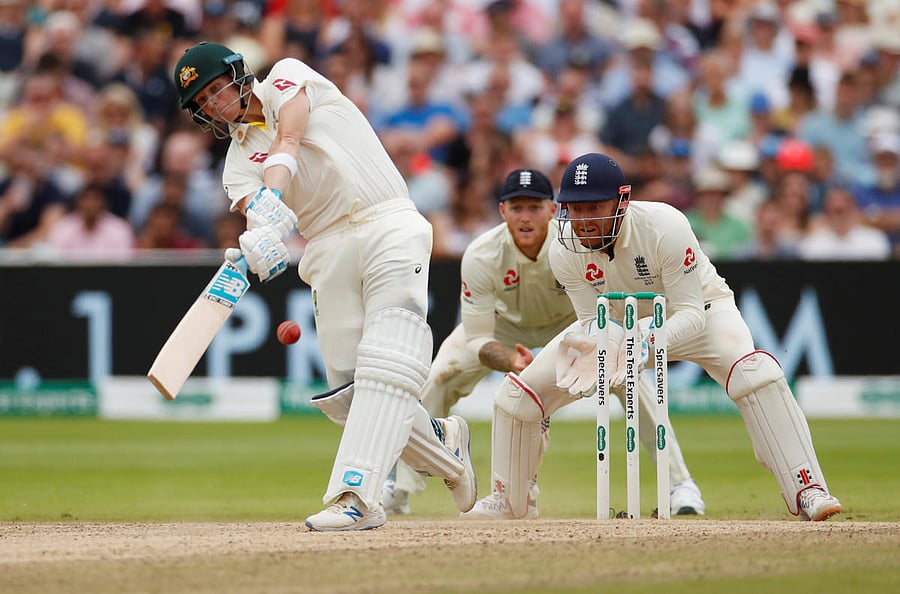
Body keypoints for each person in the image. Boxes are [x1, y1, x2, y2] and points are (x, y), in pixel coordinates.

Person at [172, 42, 476, 531]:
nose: (212, 104)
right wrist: (260, 240)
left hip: (387, 222)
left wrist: (271, 195)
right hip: (327, 248)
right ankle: (445, 448)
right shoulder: (235, 165)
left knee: (387, 359)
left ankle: (356, 495)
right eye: (201, 103)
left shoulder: (289, 77)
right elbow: (258, 214)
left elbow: (289, 140)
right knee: (349, 395)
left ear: (239, 73)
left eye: (213, 89)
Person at [467, 153, 842, 522]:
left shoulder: (665, 225)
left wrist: (645, 338)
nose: (582, 220)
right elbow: (588, 322)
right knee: (518, 396)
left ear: (623, 200)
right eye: (574, 208)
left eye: (594, 206)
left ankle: (807, 487)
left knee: (755, 373)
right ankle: (509, 499)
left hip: (699, 313)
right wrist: (601, 345)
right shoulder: (565, 248)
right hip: (617, 328)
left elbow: (692, 314)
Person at [392, 168, 705, 519]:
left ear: (552, 209)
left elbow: (601, 308)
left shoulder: (574, 242)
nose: (525, 217)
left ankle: (681, 484)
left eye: (534, 207)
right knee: (439, 377)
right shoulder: (482, 254)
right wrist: (511, 361)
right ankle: (401, 487)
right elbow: (478, 336)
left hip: (570, 324)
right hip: (505, 329)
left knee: (629, 376)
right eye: (516, 208)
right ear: (502, 211)